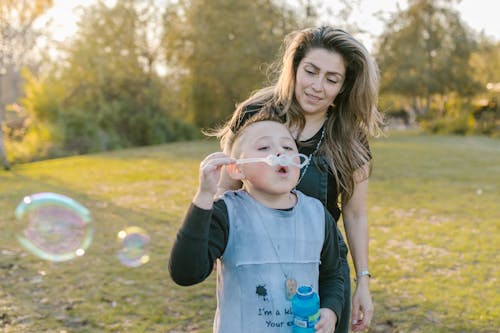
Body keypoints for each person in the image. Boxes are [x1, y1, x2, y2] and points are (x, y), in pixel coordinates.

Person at [213, 26, 384, 332]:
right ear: (294, 68)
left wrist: (363, 282)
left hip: (324, 273)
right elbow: (226, 189)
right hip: (257, 268)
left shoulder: (350, 137)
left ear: (343, 87)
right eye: (311, 71)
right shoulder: (255, 112)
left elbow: (355, 213)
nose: (317, 86)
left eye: (331, 79)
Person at [169, 116, 345, 333]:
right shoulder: (227, 214)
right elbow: (185, 273)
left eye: (288, 146)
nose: (280, 152)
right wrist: (204, 195)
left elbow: (332, 273)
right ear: (237, 169)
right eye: (264, 147)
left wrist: (330, 310)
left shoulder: (317, 214)